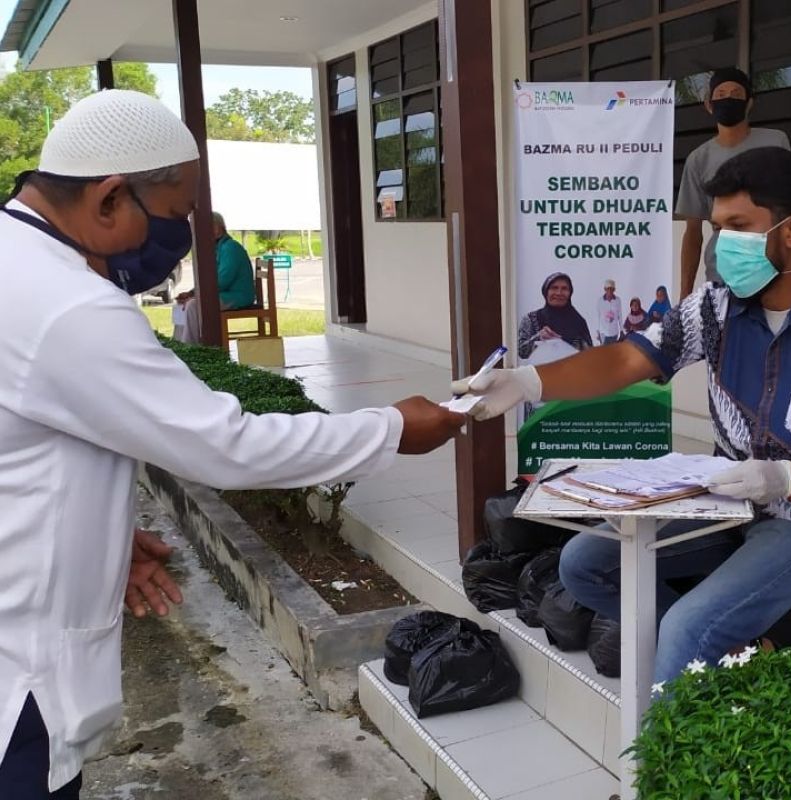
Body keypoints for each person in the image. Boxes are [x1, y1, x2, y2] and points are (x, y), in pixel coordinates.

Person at [0, 90, 465, 799]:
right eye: (175, 215)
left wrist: (92, 537)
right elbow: (225, 446)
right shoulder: (68, 304)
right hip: (19, 671)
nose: (181, 237)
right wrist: (393, 428)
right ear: (107, 199)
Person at [454, 148, 791, 685]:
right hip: (728, 501)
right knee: (584, 564)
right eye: (717, 227)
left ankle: (672, 734)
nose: (720, 245)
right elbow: (628, 358)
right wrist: (530, 380)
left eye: (738, 227)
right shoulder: (712, 308)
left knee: (687, 627)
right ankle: (723, 669)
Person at [677, 67, 790, 298]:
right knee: (727, 331)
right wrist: (685, 294)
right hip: (723, 268)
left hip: (771, 261)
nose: (728, 99)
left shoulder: (776, 142)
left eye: (737, 94)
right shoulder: (698, 159)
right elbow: (693, 233)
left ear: (749, 103)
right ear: (709, 105)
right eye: (721, 95)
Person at [173, 211, 254, 343]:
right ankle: (178, 346)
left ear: (216, 229)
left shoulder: (230, 248)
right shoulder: (219, 248)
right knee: (182, 304)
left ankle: (190, 348)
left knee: (193, 305)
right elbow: (209, 280)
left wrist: (196, 295)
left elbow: (223, 280)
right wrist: (191, 293)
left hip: (236, 296)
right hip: (222, 294)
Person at [517, 272, 593, 359]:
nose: (559, 293)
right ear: (546, 291)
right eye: (554, 288)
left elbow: (589, 356)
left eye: (564, 288)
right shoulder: (531, 319)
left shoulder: (578, 322)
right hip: (538, 372)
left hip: (571, 371)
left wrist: (565, 345)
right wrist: (539, 337)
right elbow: (521, 351)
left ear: (570, 293)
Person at [595, 278, 622, 344]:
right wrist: (597, 331)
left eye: (611, 289)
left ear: (614, 290)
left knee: (613, 351)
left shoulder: (618, 300)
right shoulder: (600, 301)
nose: (609, 291)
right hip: (603, 333)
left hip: (614, 332)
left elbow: (620, 316)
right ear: (605, 289)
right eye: (608, 289)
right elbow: (597, 316)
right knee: (604, 352)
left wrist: (621, 330)